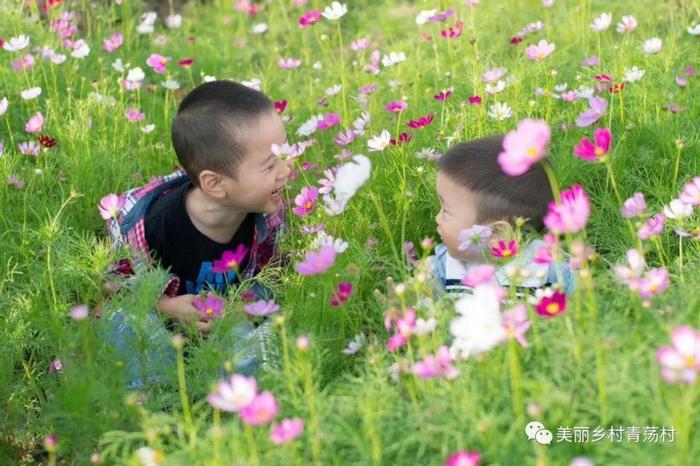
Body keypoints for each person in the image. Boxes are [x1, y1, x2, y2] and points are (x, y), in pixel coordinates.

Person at [101, 80, 292, 389]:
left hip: (221, 326)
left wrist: (243, 308)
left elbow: (274, 275)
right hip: (158, 319)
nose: (287, 169)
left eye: (284, 153)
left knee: (256, 339)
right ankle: (155, 399)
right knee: (127, 324)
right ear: (216, 184)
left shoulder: (267, 216)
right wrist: (167, 307)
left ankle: (242, 399)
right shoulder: (152, 226)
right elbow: (113, 288)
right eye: (271, 165)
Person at [429, 135, 575, 296]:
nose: (437, 218)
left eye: (446, 211)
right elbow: (423, 303)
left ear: (496, 232)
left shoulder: (549, 268)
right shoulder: (444, 267)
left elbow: (587, 303)